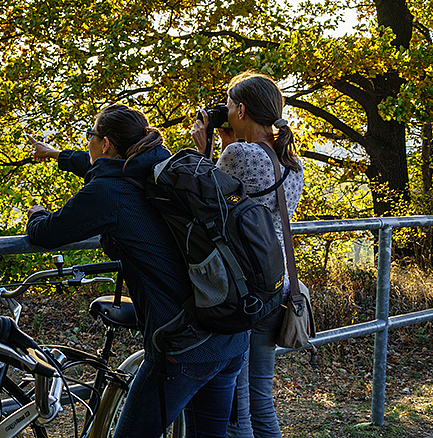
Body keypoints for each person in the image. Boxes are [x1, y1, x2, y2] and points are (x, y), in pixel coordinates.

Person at [27, 104, 249, 438]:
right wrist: (56, 154)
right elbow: (98, 170)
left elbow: (47, 234)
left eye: (91, 136)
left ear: (104, 145)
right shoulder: (162, 168)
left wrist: (36, 213)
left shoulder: (109, 193)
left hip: (184, 345)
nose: (88, 143)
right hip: (228, 332)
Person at [192, 72, 304, 438]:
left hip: (243, 289)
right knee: (261, 398)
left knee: (237, 410)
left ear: (240, 109)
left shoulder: (237, 154)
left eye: (227, 106)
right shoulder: (291, 160)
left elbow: (204, 201)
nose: (224, 111)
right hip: (279, 282)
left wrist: (203, 150)